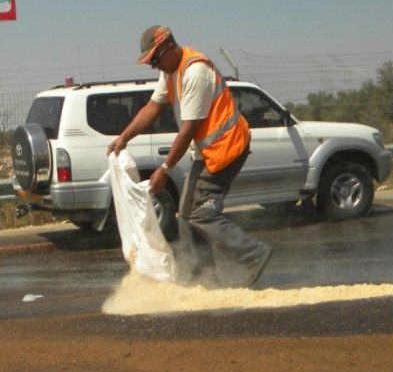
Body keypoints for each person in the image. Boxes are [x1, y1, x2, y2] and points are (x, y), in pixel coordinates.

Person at [108, 25, 272, 287]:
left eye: (154, 59)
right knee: (186, 214)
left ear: (169, 47)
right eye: (149, 62)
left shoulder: (195, 72)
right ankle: (202, 277)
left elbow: (188, 130)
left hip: (227, 147)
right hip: (208, 151)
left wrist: (164, 168)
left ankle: (253, 254)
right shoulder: (171, 71)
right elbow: (152, 107)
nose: (153, 66)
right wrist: (123, 137)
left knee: (200, 213)